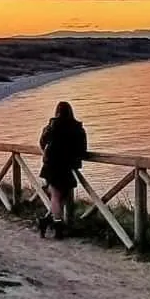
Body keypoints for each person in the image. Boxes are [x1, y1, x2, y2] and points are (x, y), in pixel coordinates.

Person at [37, 101, 88, 239]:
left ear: (57, 112)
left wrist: (46, 153)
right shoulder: (78, 128)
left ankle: (50, 222)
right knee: (61, 196)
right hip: (67, 165)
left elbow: (42, 142)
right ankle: (56, 225)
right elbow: (83, 150)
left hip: (52, 164)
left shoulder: (52, 126)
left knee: (56, 196)